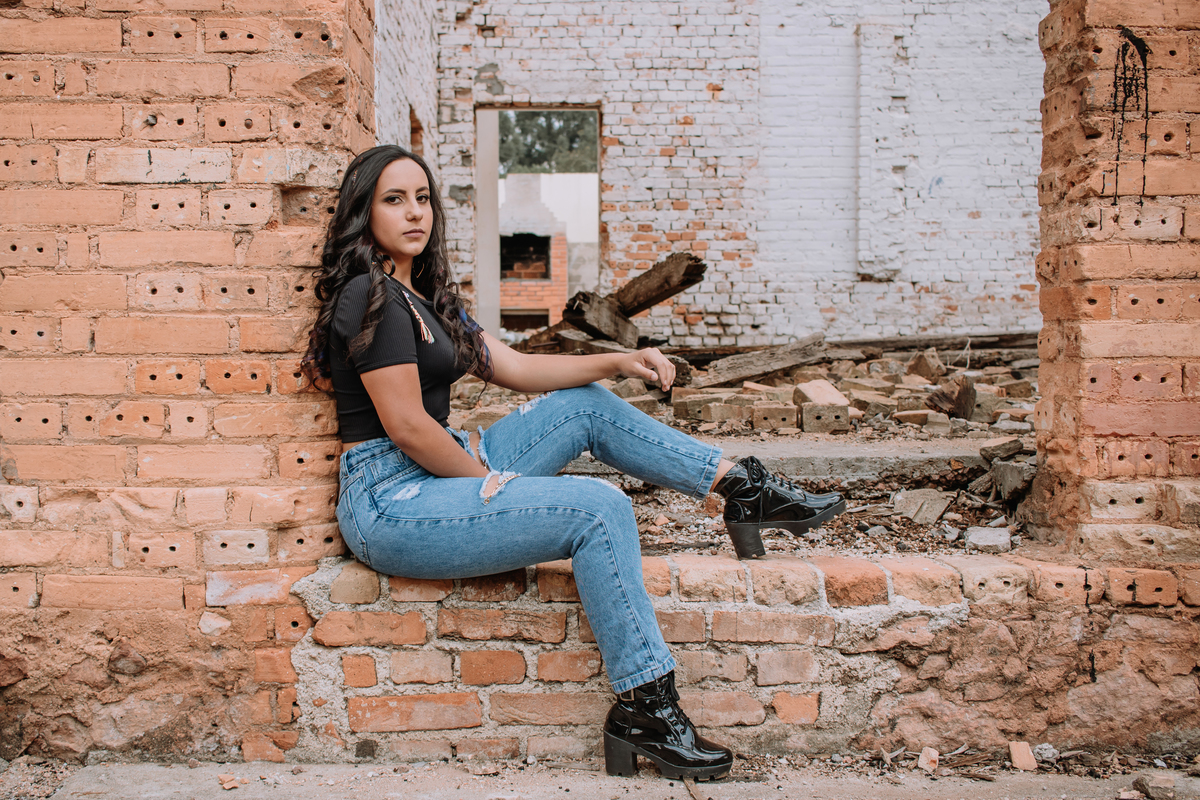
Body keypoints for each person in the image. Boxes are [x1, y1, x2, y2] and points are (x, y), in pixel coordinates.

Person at [301, 144, 846, 781]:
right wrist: (492, 484)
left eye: (422, 198)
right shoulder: (369, 295)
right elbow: (408, 427)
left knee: (582, 403)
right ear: (364, 213)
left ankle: (741, 487)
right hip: (393, 500)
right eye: (394, 200)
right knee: (598, 508)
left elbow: (516, 366)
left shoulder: (419, 294)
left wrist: (617, 361)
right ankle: (646, 708)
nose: (415, 212)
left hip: (438, 468)